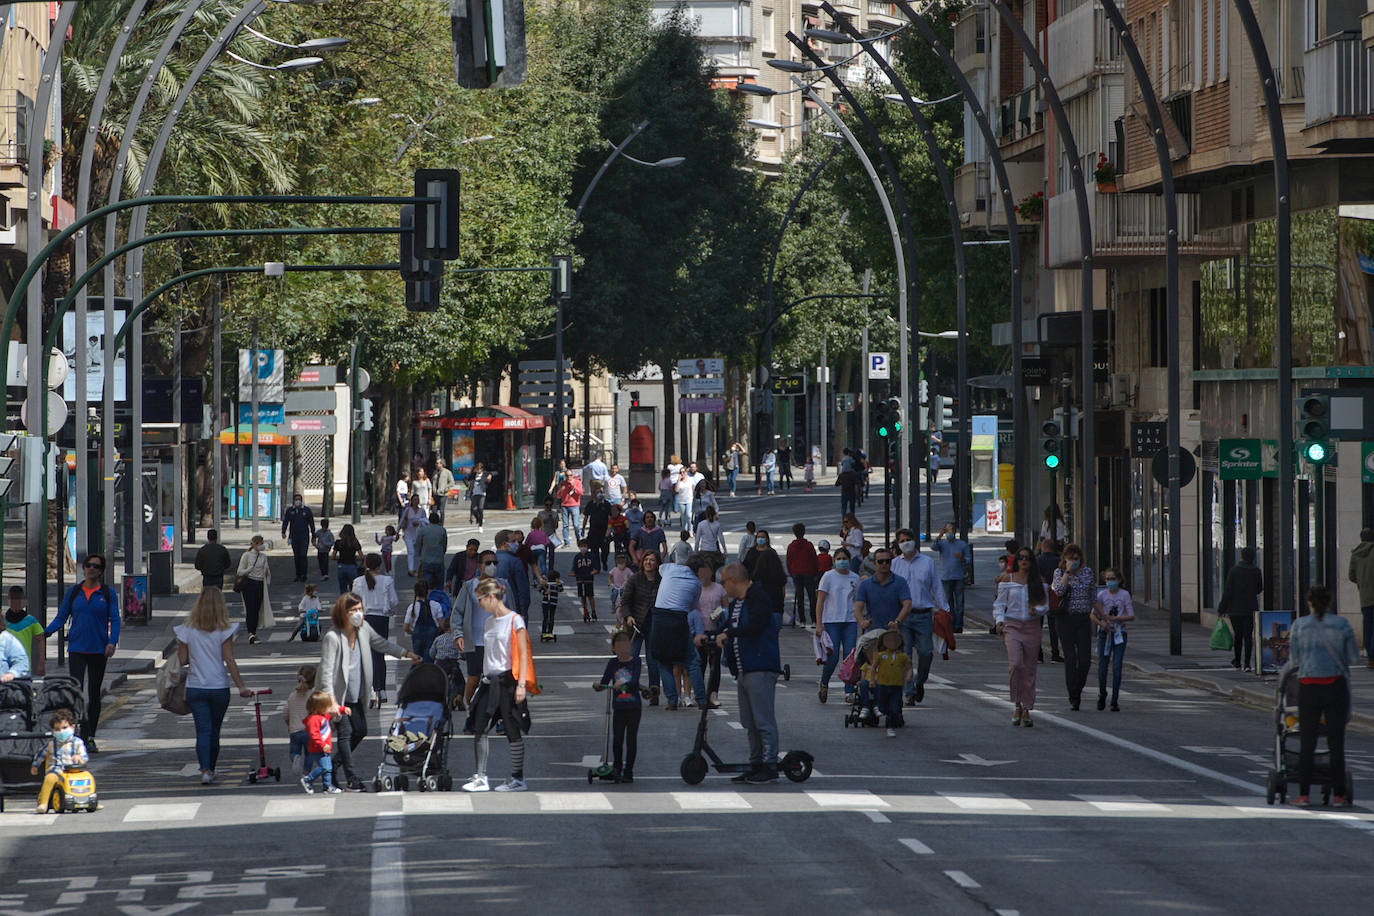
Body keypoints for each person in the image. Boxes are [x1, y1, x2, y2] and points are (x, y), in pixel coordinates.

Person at [319, 592, 418, 791]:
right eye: (353, 610)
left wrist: (405, 653)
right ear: (343, 612)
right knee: (345, 733)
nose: (358, 614)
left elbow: (381, 644)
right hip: (338, 696)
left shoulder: (363, 629)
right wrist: (331, 701)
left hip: (357, 693)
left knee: (361, 730)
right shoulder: (333, 637)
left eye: (360, 609)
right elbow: (326, 672)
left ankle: (331, 768)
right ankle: (351, 778)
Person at [463, 579, 538, 793]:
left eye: (480, 599)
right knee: (480, 727)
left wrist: (521, 685)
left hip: (508, 681)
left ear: (491, 597)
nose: (479, 604)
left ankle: (517, 778)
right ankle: (480, 777)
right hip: (490, 681)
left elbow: (523, 654)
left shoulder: (515, 621)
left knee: (512, 730)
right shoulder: (488, 623)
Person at [1287, 584, 1359, 806]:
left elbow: (1295, 660)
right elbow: (1353, 659)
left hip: (1308, 688)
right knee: (1336, 742)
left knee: (1307, 741)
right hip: (1335, 686)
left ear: (1309, 602)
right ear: (1330, 602)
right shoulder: (1342, 625)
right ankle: (1338, 795)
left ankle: (1303, 794)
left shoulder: (1299, 625)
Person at [174, 588, 253, 785]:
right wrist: (241, 687)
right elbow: (229, 659)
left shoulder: (187, 630)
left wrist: (187, 649)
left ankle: (205, 770)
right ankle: (212, 769)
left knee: (202, 731)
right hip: (219, 687)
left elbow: (182, 660)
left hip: (195, 686)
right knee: (215, 731)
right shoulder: (224, 629)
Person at [717, 562, 783, 783]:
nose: (723, 587)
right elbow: (728, 626)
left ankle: (770, 764)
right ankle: (756, 763)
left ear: (734, 580)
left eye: (724, 582)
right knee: (750, 722)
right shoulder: (737, 603)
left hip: (760, 666)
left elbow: (755, 625)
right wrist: (712, 635)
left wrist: (729, 634)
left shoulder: (758, 597)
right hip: (743, 669)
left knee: (763, 721)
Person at [44, 553, 118, 748]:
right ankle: (74, 734)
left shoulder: (108, 594)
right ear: (84, 569)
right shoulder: (74, 592)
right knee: (75, 692)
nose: (91, 568)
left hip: (98, 650)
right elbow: (61, 617)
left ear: (101, 571)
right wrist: (45, 633)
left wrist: (112, 642)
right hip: (77, 648)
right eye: (88, 565)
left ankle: (90, 736)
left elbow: (115, 619)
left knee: (94, 693)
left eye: (95, 566)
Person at [890, 528, 947, 706]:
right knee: (905, 655)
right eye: (902, 540)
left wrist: (945, 609)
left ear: (914, 541)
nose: (906, 542)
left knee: (926, 653)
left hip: (923, 616)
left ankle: (919, 681)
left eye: (908, 539)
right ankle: (909, 692)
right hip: (903, 617)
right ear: (898, 544)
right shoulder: (894, 564)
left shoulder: (927, 562)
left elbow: (936, 586)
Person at [993, 550, 1047, 727]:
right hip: (1013, 625)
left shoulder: (1039, 582)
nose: (1024, 560)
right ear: (1016, 561)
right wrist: (999, 621)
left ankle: (1027, 708)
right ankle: (1016, 703)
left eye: (1028, 558)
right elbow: (999, 604)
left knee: (1029, 669)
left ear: (1032, 562)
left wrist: (1036, 610)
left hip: (1032, 627)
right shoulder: (1007, 581)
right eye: (1021, 558)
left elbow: (1045, 605)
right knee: (1016, 665)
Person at [453, 550, 510, 709]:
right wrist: (458, 635)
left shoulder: (504, 585)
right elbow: (457, 612)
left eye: (495, 563)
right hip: (476, 641)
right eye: (488, 563)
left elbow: (512, 612)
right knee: (474, 678)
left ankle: (496, 714)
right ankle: (471, 708)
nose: (492, 566)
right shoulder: (469, 586)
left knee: (497, 678)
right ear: (479, 565)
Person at [651, 556, 707, 710]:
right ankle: (701, 699)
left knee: (663, 661)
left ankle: (672, 700)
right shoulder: (696, 584)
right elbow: (692, 606)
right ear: (698, 570)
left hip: (660, 617)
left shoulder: (670, 568)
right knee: (691, 660)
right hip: (679, 619)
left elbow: (659, 568)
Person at [1051, 543, 1097, 711]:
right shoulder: (1059, 573)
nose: (1074, 561)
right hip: (1065, 619)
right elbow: (1059, 591)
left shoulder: (1087, 572)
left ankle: (1078, 688)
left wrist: (1103, 617)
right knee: (1070, 658)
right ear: (1065, 559)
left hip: (1083, 619)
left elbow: (1093, 597)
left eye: (1076, 559)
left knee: (1084, 660)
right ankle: (1073, 696)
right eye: (1071, 559)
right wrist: (1067, 572)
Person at [594, 629, 644, 782]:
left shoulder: (635, 661)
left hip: (634, 707)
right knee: (617, 738)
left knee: (631, 739)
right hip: (618, 708)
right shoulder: (613, 663)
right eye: (619, 646)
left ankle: (628, 771)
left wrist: (623, 683)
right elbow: (604, 681)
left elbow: (634, 681)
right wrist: (599, 686)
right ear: (614, 648)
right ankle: (616, 768)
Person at [352, 554, 400, 706]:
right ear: (379, 565)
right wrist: (389, 611)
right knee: (379, 655)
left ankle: (371, 689)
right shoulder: (387, 580)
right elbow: (394, 601)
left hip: (365, 620)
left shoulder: (358, 581)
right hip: (381, 619)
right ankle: (382, 689)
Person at [815, 547, 860, 704]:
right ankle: (824, 683)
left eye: (844, 558)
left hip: (850, 621)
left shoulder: (855, 577)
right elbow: (820, 601)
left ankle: (849, 692)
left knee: (850, 657)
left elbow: (857, 601)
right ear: (834, 561)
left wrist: (860, 619)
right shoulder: (828, 576)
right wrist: (819, 625)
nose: (842, 561)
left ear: (849, 560)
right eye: (839, 558)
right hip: (831, 621)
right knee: (832, 658)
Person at [619, 550, 663, 705]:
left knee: (653, 661)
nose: (648, 563)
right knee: (632, 659)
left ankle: (654, 693)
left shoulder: (662, 580)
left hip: (654, 625)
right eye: (646, 560)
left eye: (652, 560)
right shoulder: (635, 579)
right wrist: (628, 616)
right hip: (636, 625)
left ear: (657, 563)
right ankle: (630, 691)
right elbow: (625, 602)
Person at [1093, 568, 1135, 712]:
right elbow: (1093, 615)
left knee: (1117, 666)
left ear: (1119, 580)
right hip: (1105, 634)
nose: (1110, 582)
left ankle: (1114, 699)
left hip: (1119, 634)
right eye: (1108, 579)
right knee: (1102, 667)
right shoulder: (1101, 595)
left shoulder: (1124, 595)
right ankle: (1102, 693)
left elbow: (1131, 615)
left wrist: (1117, 619)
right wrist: (1101, 623)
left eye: (1113, 579)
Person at [30, 709, 88, 813]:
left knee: (87, 778)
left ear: (72, 727)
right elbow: (40, 755)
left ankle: (90, 799)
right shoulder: (51, 744)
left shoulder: (78, 742)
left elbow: (84, 756)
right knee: (49, 778)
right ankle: (44, 803)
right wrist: (35, 765)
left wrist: (79, 758)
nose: (61, 731)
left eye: (64, 728)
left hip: (73, 770)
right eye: (57, 729)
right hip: (56, 769)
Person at [694, 560, 727, 708]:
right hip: (699, 631)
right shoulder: (694, 588)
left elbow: (726, 608)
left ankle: (713, 694)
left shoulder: (720, 589)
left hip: (715, 630)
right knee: (699, 664)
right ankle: (699, 694)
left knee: (715, 665)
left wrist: (720, 614)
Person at [868, 629, 912, 737]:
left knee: (894, 707)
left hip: (897, 685)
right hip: (883, 684)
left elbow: (909, 668)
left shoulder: (903, 656)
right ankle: (883, 711)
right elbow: (873, 667)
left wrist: (908, 677)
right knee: (883, 706)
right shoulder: (881, 655)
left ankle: (890, 726)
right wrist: (872, 680)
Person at [299, 690, 343, 794]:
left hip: (324, 747)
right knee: (325, 767)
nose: (329, 709)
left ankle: (327, 786)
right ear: (319, 708)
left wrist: (343, 710)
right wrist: (322, 745)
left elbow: (333, 713)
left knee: (328, 768)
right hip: (318, 748)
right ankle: (308, 780)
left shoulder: (323, 716)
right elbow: (314, 735)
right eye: (327, 706)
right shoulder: (314, 719)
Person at [934, 523, 971, 633]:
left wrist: (962, 558)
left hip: (958, 576)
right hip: (945, 576)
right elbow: (933, 547)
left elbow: (969, 559)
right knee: (948, 602)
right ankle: (951, 623)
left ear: (955, 531)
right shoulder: (942, 543)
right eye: (947, 530)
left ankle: (958, 625)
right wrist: (940, 535)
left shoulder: (962, 544)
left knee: (959, 602)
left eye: (951, 530)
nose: (949, 532)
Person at [745, 530, 787, 629]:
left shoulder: (771, 553)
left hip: (765, 606)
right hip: (774, 607)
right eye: (758, 537)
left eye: (762, 537)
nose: (760, 539)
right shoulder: (752, 552)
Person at [283, 664, 316, 776]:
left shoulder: (292, 696)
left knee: (294, 751)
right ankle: (306, 773)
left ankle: (296, 758)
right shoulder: (313, 696)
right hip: (309, 731)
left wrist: (289, 724)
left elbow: (285, 714)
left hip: (295, 731)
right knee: (310, 753)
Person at [1348, 529, 1374, 668]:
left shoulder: (1356, 554)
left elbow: (1351, 576)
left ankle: (1371, 658)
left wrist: (1362, 583)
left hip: (1364, 597)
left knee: (1368, 627)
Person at [785, 523, 819, 629]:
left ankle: (802, 620)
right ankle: (814, 620)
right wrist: (814, 573)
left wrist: (792, 572)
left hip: (796, 573)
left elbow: (788, 561)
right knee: (812, 597)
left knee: (800, 597)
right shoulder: (809, 545)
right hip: (808, 573)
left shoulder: (791, 546)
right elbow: (814, 560)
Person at [403, 578, 446, 663]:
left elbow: (405, 627)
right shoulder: (436, 605)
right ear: (428, 591)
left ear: (415, 592)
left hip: (417, 637)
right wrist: (435, 632)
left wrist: (413, 632)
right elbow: (442, 625)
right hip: (432, 636)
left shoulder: (412, 607)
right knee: (429, 661)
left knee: (418, 660)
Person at [1036, 538, 1064, 663]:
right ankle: (1055, 654)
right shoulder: (1059, 561)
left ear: (1044, 547)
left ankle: (1038, 655)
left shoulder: (1038, 560)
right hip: (1054, 595)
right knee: (1053, 627)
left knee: (1038, 626)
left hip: (1041, 593)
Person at [5, 586, 44, 676]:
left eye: (18, 599)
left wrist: (41, 663)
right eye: (13, 599)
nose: (16, 602)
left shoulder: (30, 621)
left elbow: (41, 639)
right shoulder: (3, 621)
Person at [495, 530, 532, 620]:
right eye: (513, 541)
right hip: (512, 608)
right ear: (505, 544)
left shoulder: (486, 562)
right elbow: (523, 590)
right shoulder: (515, 561)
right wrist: (523, 612)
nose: (517, 544)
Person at [281, 493, 317, 583]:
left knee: (303, 555)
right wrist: (283, 532)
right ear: (294, 501)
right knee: (296, 556)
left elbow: (311, 523)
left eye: (299, 500)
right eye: (296, 499)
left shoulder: (306, 510)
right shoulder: (290, 511)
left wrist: (313, 534)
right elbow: (286, 521)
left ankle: (304, 574)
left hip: (304, 536)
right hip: (294, 536)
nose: (297, 501)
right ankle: (298, 574)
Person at [413, 510, 448, 588]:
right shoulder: (442, 530)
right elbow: (444, 545)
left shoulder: (423, 530)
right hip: (439, 560)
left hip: (426, 559)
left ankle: (428, 598)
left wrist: (419, 555)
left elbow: (418, 544)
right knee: (439, 584)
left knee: (426, 584)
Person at [400, 495, 429, 577]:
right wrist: (397, 532)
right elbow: (402, 520)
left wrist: (420, 522)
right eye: (414, 499)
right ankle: (410, 569)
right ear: (411, 501)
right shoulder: (408, 510)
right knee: (411, 552)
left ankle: (415, 569)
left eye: (417, 499)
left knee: (416, 553)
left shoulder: (422, 511)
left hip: (418, 534)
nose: (416, 501)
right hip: (408, 533)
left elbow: (426, 521)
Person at [585, 490, 614, 571]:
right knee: (594, 550)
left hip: (604, 531)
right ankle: (597, 566)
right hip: (593, 531)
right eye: (597, 492)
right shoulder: (591, 504)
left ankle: (604, 561)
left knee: (605, 550)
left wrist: (611, 528)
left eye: (601, 492)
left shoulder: (607, 504)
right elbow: (586, 516)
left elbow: (611, 517)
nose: (599, 494)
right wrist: (583, 528)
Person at [555, 470, 583, 547]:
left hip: (574, 505)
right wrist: (561, 490)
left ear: (572, 476)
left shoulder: (577, 482)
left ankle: (578, 538)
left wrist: (574, 486)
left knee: (576, 525)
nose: (569, 477)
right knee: (565, 525)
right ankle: (566, 542)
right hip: (565, 505)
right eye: (567, 476)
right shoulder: (563, 483)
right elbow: (558, 496)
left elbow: (580, 492)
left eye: (570, 475)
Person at [333, 524, 363, 595]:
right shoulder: (355, 542)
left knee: (343, 589)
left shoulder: (338, 542)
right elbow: (361, 556)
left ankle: (344, 604)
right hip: (352, 566)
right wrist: (355, 558)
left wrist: (338, 558)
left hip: (341, 566)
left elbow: (333, 556)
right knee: (353, 589)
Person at [693, 506, 726, 571]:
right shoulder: (717, 524)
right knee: (715, 569)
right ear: (714, 514)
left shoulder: (701, 524)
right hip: (714, 551)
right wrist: (725, 550)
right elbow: (721, 538)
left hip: (704, 551)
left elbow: (697, 539)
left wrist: (695, 551)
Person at [539, 570, 564, 642]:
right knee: (546, 618)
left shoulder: (556, 585)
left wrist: (559, 584)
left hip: (553, 603)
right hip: (546, 603)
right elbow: (541, 590)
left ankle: (550, 632)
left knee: (552, 618)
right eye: (558, 578)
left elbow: (561, 589)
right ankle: (544, 632)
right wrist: (545, 591)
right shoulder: (546, 584)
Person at [467, 463, 493, 531]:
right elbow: (466, 479)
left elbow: (491, 473)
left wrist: (489, 476)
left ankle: (480, 525)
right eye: (476, 469)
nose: (478, 470)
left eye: (479, 469)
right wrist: (468, 485)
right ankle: (479, 519)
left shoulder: (484, 474)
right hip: (474, 493)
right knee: (474, 509)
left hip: (482, 493)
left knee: (480, 509)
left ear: (481, 469)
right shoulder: (473, 475)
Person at [608, 553, 633, 618]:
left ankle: (625, 606)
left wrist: (630, 583)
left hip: (624, 587)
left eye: (623, 563)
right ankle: (613, 605)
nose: (621, 565)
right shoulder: (614, 569)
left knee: (625, 596)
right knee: (614, 594)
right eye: (619, 563)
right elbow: (610, 576)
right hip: (616, 587)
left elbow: (632, 576)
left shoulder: (627, 570)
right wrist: (609, 582)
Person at [674, 468, 695, 534]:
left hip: (689, 500)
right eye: (681, 472)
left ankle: (690, 530)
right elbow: (676, 490)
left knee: (689, 515)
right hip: (681, 501)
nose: (682, 474)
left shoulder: (690, 479)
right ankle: (684, 530)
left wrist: (692, 496)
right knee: (683, 516)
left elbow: (693, 488)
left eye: (683, 472)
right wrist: (678, 480)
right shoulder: (679, 481)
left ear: (686, 472)